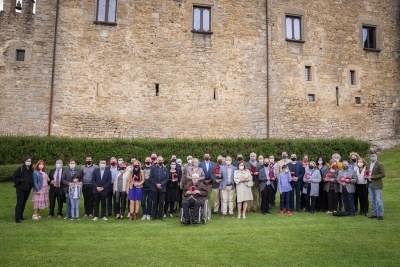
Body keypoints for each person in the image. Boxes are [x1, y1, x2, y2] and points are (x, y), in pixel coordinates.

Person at [13, 157, 33, 223]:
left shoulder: (31, 169)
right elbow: (14, 177)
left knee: (24, 202)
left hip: (28, 188)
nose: (29, 162)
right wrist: (21, 180)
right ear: (25, 161)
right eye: (27, 161)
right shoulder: (21, 168)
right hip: (21, 188)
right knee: (20, 202)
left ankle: (21, 215)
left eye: (30, 161)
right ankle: (17, 217)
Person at [366, 152, 385, 220]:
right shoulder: (368, 164)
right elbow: (367, 172)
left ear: (376, 156)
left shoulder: (380, 164)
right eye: (371, 156)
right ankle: (374, 214)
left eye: (373, 156)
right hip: (369, 184)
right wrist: (366, 176)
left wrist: (372, 177)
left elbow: (383, 174)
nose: (372, 157)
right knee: (372, 199)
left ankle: (380, 214)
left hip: (377, 184)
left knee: (378, 200)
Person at [148, 156, 169, 220]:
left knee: (161, 203)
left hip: (162, 188)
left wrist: (161, 184)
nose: (160, 161)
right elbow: (151, 178)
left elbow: (167, 178)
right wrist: (156, 184)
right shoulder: (153, 168)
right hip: (154, 188)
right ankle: (154, 216)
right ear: (157, 161)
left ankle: (160, 216)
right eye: (159, 160)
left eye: (161, 160)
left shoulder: (165, 169)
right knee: (155, 203)